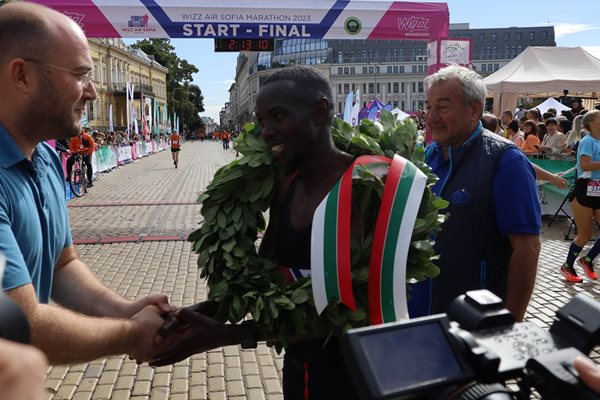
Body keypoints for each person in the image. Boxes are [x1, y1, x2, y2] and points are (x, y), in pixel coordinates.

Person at [148, 66, 360, 399]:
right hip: (301, 369)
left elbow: (353, 309)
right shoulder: (286, 184)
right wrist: (205, 311)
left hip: (360, 374)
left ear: (320, 112)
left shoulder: (369, 187)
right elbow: (263, 274)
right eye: (262, 120)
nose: (266, 132)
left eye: (278, 116)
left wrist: (225, 335)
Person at [0, 2, 172, 364]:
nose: (92, 92)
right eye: (79, 75)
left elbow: (62, 265)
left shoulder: (44, 158)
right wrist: (134, 333)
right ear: (21, 75)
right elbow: (19, 322)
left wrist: (123, 309)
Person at [409, 65, 541, 322]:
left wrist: (510, 322)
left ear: (475, 110)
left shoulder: (505, 160)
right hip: (421, 315)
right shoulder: (428, 156)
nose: (431, 116)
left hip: (476, 320)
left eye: (443, 107)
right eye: (429, 106)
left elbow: (527, 247)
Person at [560, 110, 600, 283]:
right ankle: (568, 266)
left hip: (599, 189)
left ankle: (587, 260)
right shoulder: (587, 141)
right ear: (592, 123)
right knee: (585, 233)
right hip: (584, 190)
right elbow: (585, 165)